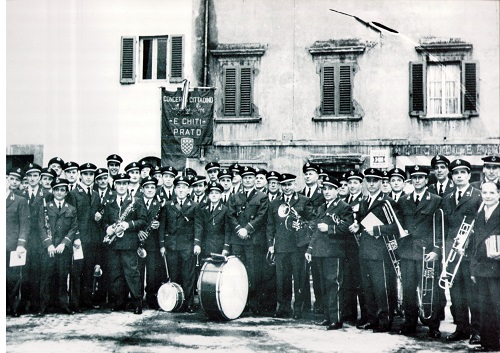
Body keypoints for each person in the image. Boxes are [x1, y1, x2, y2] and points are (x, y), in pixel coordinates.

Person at [350, 168, 400, 333]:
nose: (371, 184)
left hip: (380, 252)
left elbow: (397, 227)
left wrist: (378, 230)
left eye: (375, 180)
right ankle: (372, 320)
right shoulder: (364, 201)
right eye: (369, 180)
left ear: (380, 182)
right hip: (364, 251)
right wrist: (357, 227)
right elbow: (364, 225)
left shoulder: (387, 202)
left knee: (382, 288)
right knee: (368, 287)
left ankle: (385, 321)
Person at [397, 165, 443, 338]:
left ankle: (433, 325)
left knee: (430, 290)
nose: (417, 180)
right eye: (414, 177)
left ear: (426, 180)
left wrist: (437, 250)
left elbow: (439, 227)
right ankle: (410, 323)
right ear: (411, 180)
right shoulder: (404, 200)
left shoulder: (436, 200)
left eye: (421, 177)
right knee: (408, 289)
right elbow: (400, 225)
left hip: (427, 253)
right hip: (408, 252)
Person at [441, 159, 482, 344]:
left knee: (473, 293)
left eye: (462, 173)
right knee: (456, 292)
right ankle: (461, 327)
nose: (459, 176)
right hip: (452, 252)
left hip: (470, 251)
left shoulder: (478, 195)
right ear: (452, 176)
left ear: (468, 175)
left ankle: (477, 330)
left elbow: (481, 225)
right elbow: (446, 227)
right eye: (455, 173)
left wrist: (468, 241)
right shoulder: (447, 198)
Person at [306, 173, 353, 330]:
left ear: (337, 190)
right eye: (324, 189)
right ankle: (328, 316)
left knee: (334, 285)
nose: (327, 192)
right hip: (319, 252)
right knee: (323, 286)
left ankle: (336, 318)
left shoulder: (344, 207)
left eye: (330, 189)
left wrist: (330, 228)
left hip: (334, 252)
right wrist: (310, 249)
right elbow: (316, 231)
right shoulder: (321, 208)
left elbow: (348, 228)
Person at [267, 173, 314, 319]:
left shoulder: (304, 201)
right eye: (284, 185)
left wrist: (302, 225)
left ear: (294, 184)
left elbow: (312, 222)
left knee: (299, 278)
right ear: (281, 186)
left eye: (289, 184)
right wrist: (270, 244)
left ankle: (298, 309)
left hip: (298, 246)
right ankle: (283, 308)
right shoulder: (275, 203)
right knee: (282, 279)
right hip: (281, 247)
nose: (287, 188)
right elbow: (270, 225)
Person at [102, 172, 147, 314]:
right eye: (119, 183)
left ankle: (137, 303)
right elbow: (104, 221)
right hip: (113, 244)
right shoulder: (109, 201)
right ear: (115, 185)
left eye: (124, 183)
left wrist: (128, 225)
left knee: (132, 273)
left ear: (128, 185)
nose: (121, 186)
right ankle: (118, 302)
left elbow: (143, 221)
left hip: (128, 243)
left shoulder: (136, 201)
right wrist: (107, 228)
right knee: (115, 274)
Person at [227, 166, 269, 315]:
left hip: (253, 240)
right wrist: (239, 229)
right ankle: (240, 302)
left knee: (253, 271)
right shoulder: (235, 196)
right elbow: (230, 215)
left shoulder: (262, 196)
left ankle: (253, 303)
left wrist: (248, 229)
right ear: (242, 180)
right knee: (238, 272)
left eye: (251, 177)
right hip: (238, 240)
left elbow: (261, 216)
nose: (248, 180)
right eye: (245, 178)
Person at [38, 178, 78, 316]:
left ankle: (63, 305)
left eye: (62, 190)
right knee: (46, 277)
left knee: (62, 277)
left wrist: (64, 243)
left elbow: (73, 228)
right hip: (48, 248)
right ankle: (43, 306)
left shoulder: (71, 209)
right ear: (53, 191)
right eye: (57, 189)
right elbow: (41, 227)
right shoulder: (45, 207)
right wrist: (48, 245)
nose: (59, 192)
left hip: (63, 249)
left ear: (66, 192)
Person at [159, 175, 199, 313]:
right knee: (173, 275)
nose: (181, 190)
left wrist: (196, 244)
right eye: (178, 187)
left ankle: (188, 304)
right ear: (175, 190)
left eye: (184, 187)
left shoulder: (194, 206)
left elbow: (198, 227)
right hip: (171, 246)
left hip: (187, 246)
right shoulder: (168, 205)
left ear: (189, 190)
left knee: (188, 276)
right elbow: (163, 226)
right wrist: (162, 245)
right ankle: (175, 302)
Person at [470, 181, 500, 352]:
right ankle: (488, 343)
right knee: (484, 307)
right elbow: (475, 244)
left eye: (491, 193)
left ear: (498, 194)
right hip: (482, 269)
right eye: (484, 193)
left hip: (497, 269)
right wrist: (473, 269)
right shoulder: (480, 215)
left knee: (497, 306)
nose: (487, 196)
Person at [67, 162, 99, 312]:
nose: (88, 177)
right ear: (80, 175)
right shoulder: (73, 193)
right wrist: (76, 237)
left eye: (91, 174)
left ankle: (86, 300)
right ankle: (75, 302)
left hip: (92, 239)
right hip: (78, 239)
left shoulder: (96, 194)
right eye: (85, 174)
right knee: (77, 271)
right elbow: (72, 218)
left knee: (88, 271)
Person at [18, 163, 47, 314]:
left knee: (37, 271)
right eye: (30, 176)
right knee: (24, 271)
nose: (33, 178)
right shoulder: (20, 194)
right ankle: (23, 303)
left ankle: (36, 304)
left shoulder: (46, 194)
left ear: (40, 178)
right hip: (24, 238)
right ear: (26, 178)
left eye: (35, 175)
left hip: (39, 239)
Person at [137, 176, 166, 310]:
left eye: (152, 187)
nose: (150, 190)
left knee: (152, 273)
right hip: (138, 244)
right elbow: (133, 221)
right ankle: (138, 299)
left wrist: (158, 224)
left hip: (153, 243)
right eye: (147, 187)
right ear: (142, 189)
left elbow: (165, 223)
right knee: (138, 272)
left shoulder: (159, 204)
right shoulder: (136, 203)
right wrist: (138, 232)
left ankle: (151, 298)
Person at [343, 170, 367, 325]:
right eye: (349, 183)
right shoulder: (343, 201)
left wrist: (360, 226)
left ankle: (365, 315)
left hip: (359, 246)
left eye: (355, 183)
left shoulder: (364, 201)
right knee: (347, 280)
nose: (352, 186)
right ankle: (349, 314)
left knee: (361, 282)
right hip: (345, 246)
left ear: (360, 184)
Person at [302, 162, 325, 313]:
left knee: (318, 273)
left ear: (317, 176)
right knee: (302, 273)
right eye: (306, 173)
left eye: (311, 173)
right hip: (302, 238)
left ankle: (320, 303)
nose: (308, 176)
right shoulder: (299, 194)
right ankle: (304, 304)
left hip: (318, 238)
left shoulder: (323, 194)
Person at [6, 176, 30, 317]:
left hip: (12, 246)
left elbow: (24, 225)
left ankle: (12, 308)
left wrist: (21, 244)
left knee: (13, 278)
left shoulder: (20, 201)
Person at [194, 181, 231, 259]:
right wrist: (197, 244)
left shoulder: (225, 210)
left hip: (218, 247)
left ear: (221, 196)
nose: (214, 195)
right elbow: (199, 228)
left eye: (217, 193)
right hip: (204, 246)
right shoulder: (203, 210)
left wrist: (226, 247)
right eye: (212, 193)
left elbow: (228, 230)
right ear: (208, 196)